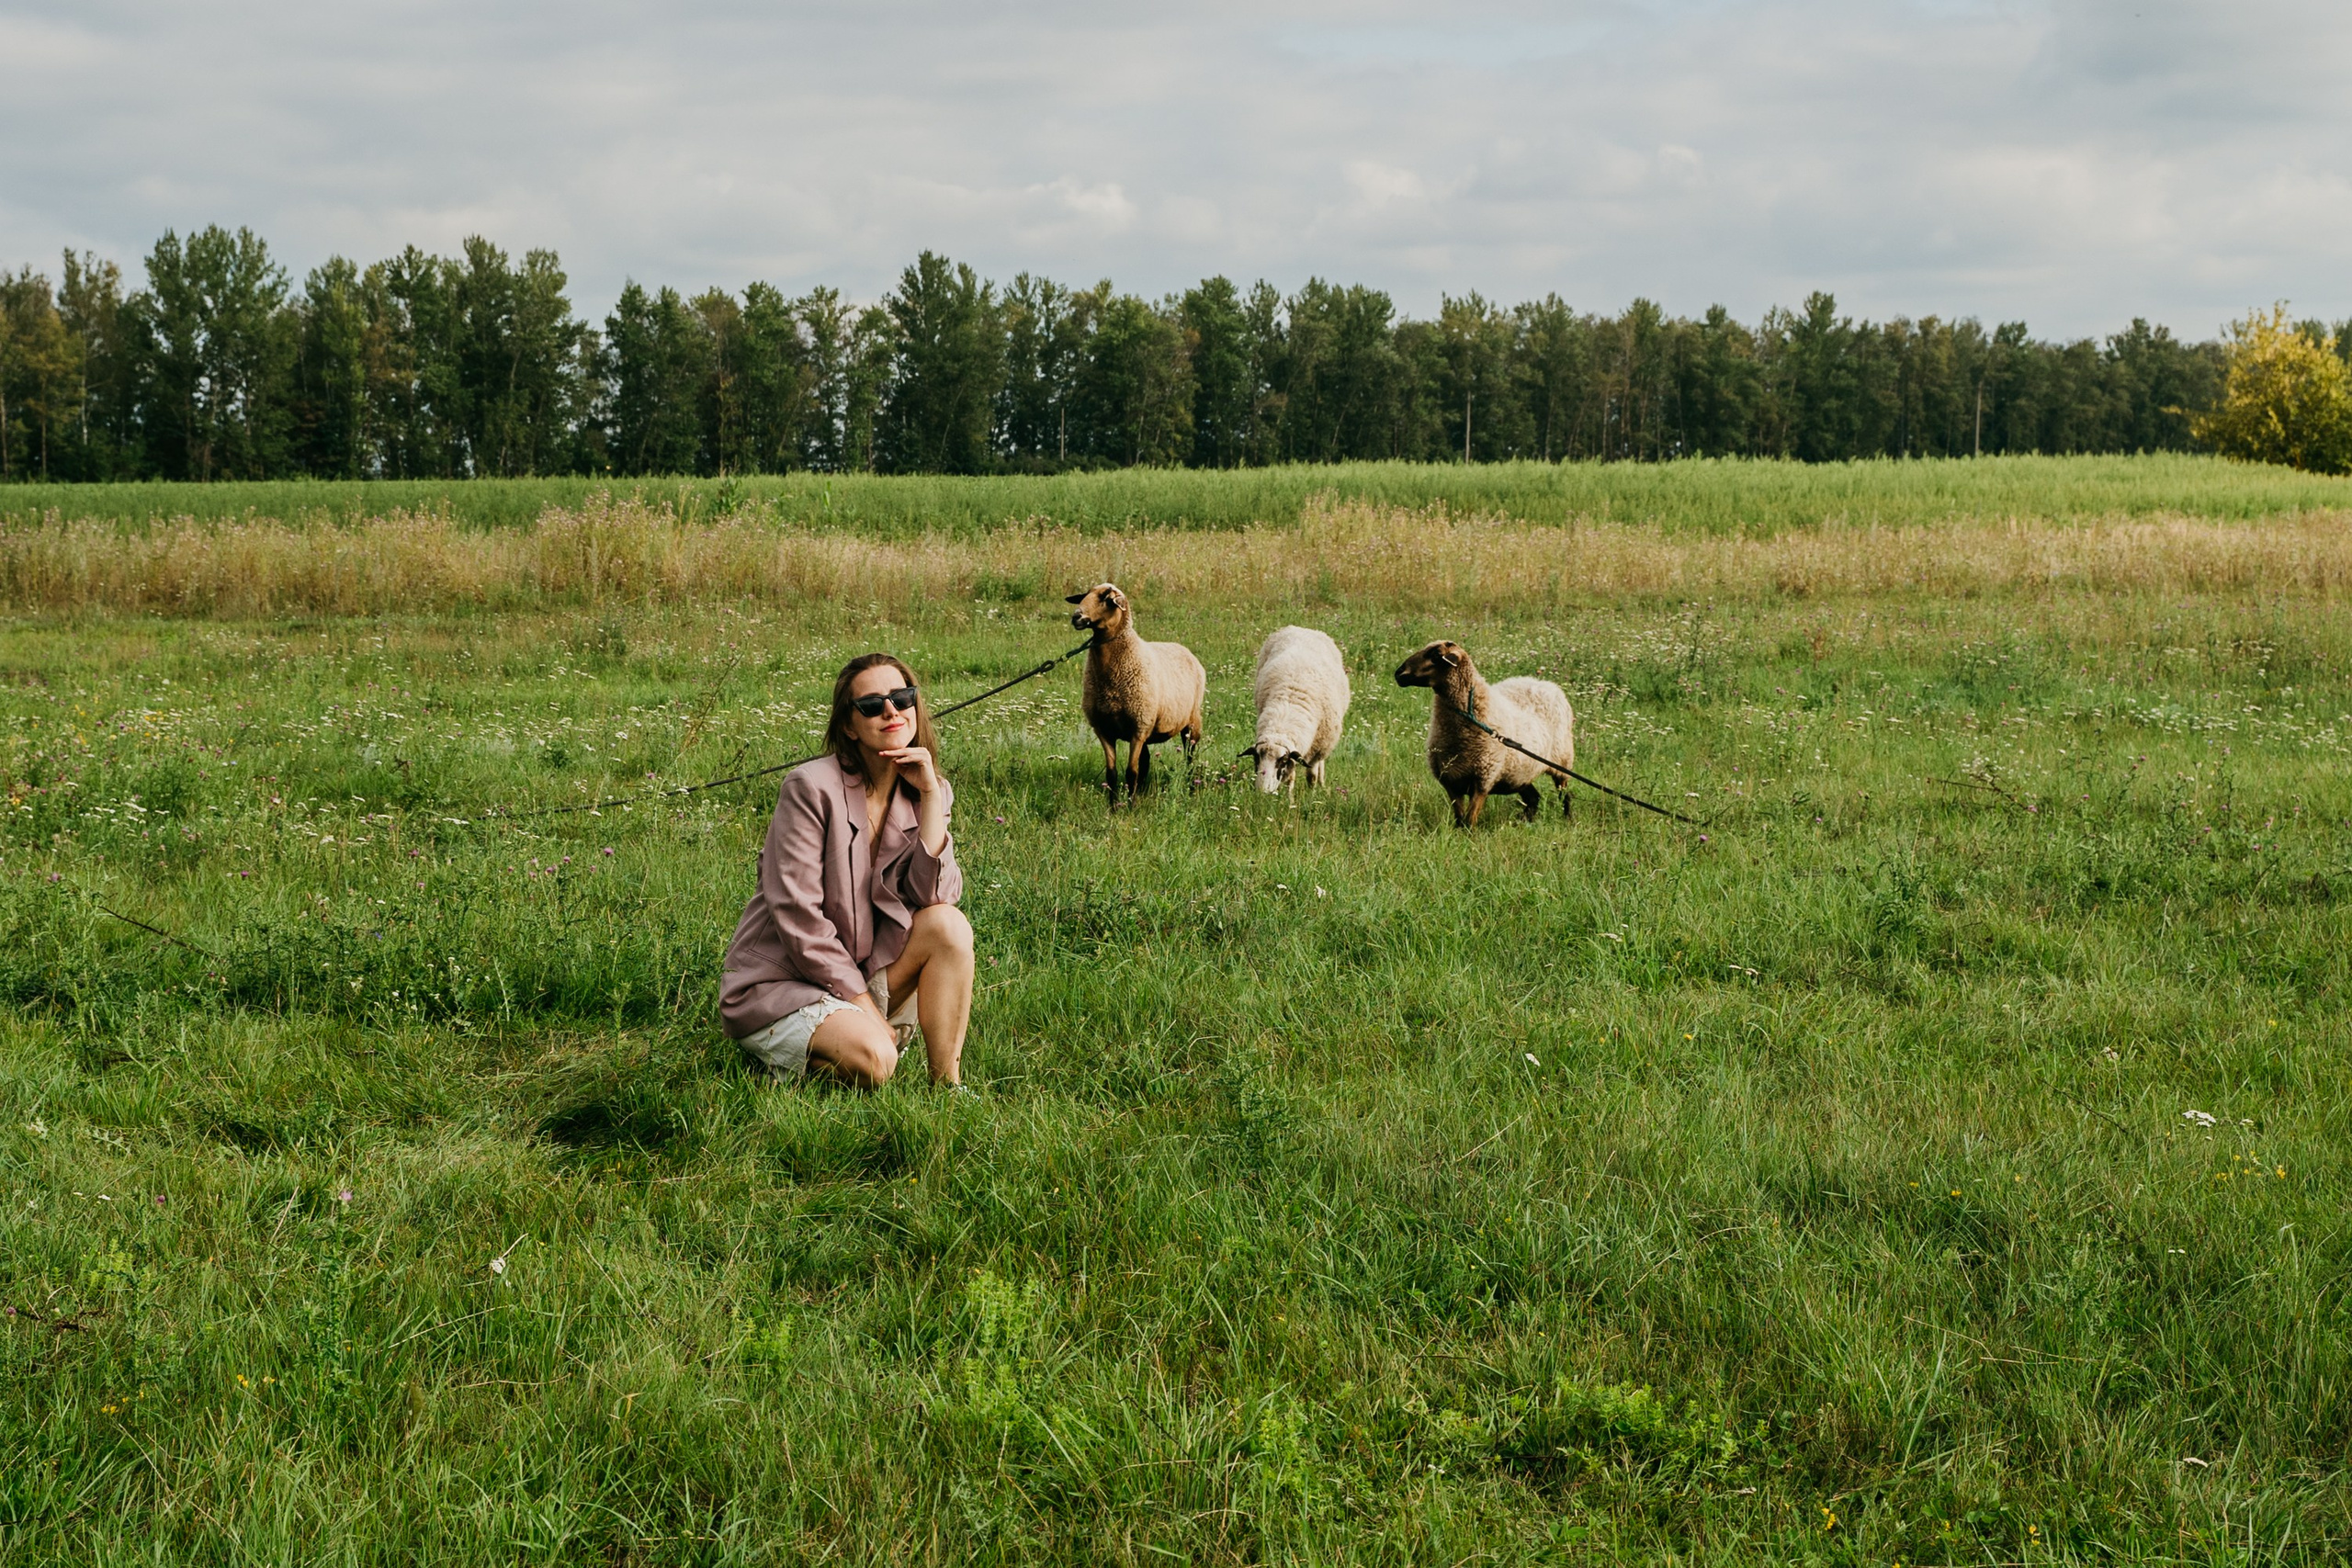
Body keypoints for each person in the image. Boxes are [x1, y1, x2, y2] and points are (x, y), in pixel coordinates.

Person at [720, 653, 975, 1088]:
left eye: (902, 697)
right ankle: (792, 1053)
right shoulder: (809, 787)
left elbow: (936, 896)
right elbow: (799, 918)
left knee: (948, 925)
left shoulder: (928, 788)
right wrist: (868, 1010)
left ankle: (946, 1086)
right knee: (877, 1062)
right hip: (786, 983)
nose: (892, 711)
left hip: (861, 972)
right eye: (873, 705)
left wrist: (931, 798)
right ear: (848, 726)